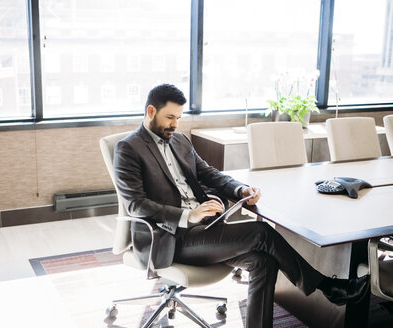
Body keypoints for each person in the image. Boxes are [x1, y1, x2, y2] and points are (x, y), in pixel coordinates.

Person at [113, 84, 370, 328]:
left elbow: (209, 173)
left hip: (204, 229)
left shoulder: (179, 140)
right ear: (151, 111)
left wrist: (240, 189)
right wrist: (188, 215)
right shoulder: (129, 149)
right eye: (170, 117)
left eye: (178, 117)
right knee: (261, 233)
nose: (175, 124)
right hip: (169, 239)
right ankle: (328, 286)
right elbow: (136, 205)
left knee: (263, 262)